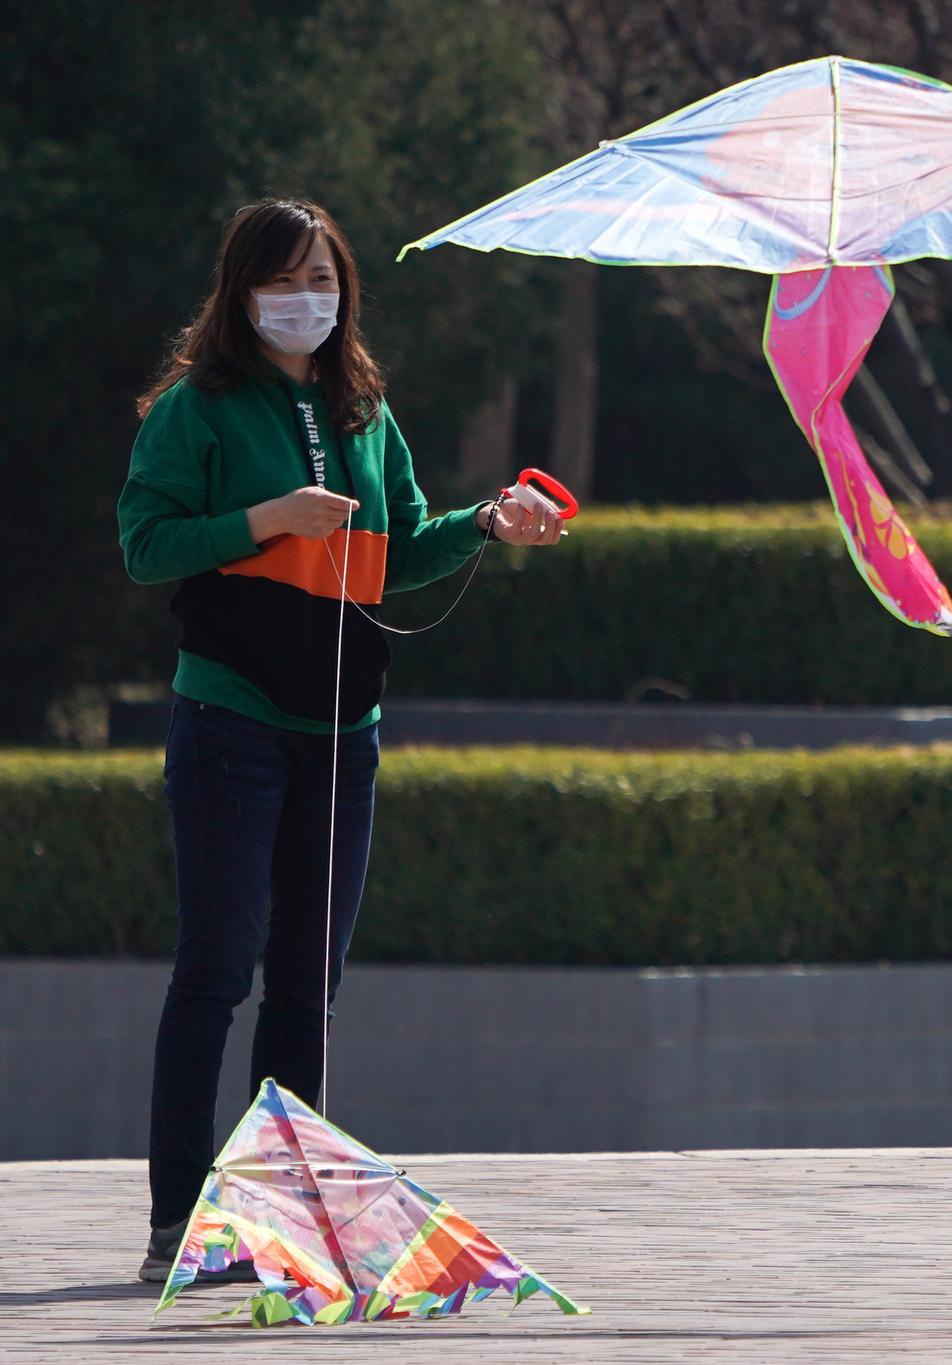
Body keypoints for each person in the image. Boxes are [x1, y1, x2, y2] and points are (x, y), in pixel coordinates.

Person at [119, 200, 566, 1282]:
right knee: (214, 971)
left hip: (343, 733)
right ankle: (176, 1224)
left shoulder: (364, 409)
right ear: (241, 292)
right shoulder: (199, 407)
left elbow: (398, 549)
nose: (304, 298)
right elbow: (145, 545)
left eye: (321, 278)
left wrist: (487, 528)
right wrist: (264, 519)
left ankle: (282, 1225)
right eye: (282, 280)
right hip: (230, 716)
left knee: (306, 988)